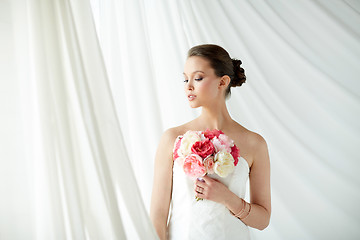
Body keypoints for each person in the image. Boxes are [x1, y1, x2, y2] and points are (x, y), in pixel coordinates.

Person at [150, 44, 271, 240]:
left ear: (223, 82)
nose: (188, 85)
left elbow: (263, 220)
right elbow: (157, 216)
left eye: (197, 78)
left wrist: (228, 199)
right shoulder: (172, 138)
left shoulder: (254, 143)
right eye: (185, 78)